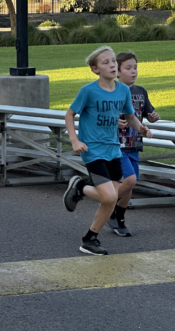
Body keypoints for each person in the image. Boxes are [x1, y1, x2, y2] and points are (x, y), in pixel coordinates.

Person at [63, 45, 152, 256]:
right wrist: (74, 140)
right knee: (110, 197)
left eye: (113, 61)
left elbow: (129, 115)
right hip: (92, 149)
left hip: (114, 149)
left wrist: (141, 128)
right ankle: (88, 233)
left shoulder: (123, 90)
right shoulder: (88, 91)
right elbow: (69, 115)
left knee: (109, 197)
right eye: (106, 62)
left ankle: (89, 233)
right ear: (95, 69)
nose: (112, 65)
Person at [106, 52, 160, 237]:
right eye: (128, 68)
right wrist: (114, 122)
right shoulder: (112, 92)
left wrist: (152, 118)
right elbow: (100, 117)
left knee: (129, 186)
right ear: (118, 72)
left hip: (134, 144)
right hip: (115, 145)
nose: (133, 71)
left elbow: (146, 114)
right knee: (130, 180)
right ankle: (106, 202)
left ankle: (118, 219)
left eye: (135, 67)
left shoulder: (141, 91)